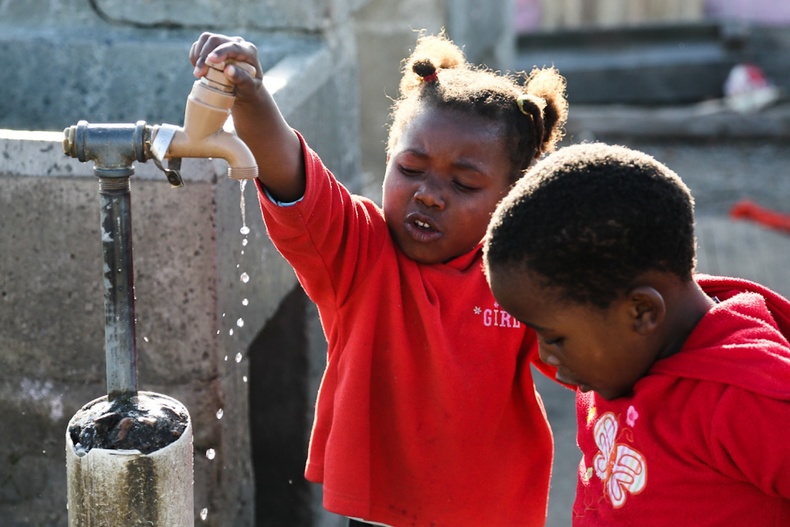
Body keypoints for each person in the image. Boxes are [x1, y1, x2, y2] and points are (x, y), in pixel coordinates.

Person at [190, 31, 569, 526]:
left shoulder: (520, 272)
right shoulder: (358, 252)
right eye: (410, 169)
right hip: (382, 512)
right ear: (389, 159)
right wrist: (253, 97)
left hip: (495, 512)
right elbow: (291, 173)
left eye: (463, 184)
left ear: (511, 197)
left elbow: (594, 345)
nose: (429, 195)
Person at [483, 142, 790, 526]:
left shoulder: (748, 398)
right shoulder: (618, 364)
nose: (545, 356)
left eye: (555, 338)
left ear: (642, 312)